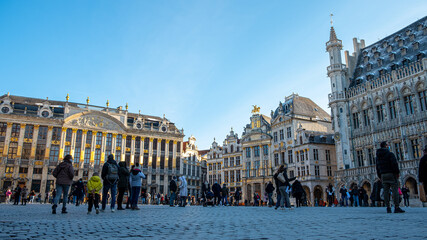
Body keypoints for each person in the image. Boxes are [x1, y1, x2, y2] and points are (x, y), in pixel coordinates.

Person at [376, 141, 405, 213]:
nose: (388, 146)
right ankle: (396, 207)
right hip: (391, 173)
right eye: (388, 145)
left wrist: (379, 175)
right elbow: (394, 164)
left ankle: (388, 207)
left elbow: (377, 166)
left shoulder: (378, 156)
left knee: (386, 191)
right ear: (385, 146)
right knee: (395, 190)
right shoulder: (390, 154)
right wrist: (397, 173)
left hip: (383, 174)